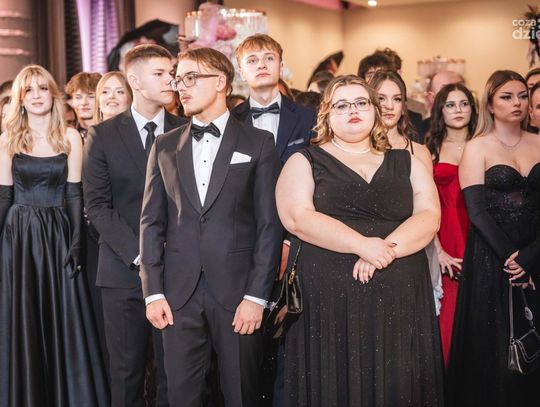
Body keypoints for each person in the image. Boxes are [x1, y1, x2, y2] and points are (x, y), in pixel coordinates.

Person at [276, 74, 443, 406]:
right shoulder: (304, 160)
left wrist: (384, 251)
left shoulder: (407, 161)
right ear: (326, 115)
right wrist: (361, 244)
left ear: (375, 111)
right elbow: (297, 217)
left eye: (361, 103)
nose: (352, 110)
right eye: (341, 105)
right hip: (329, 302)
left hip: (400, 296)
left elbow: (429, 215)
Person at [140, 47, 282, 407]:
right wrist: (153, 292)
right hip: (177, 296)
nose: (181, 87)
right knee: (180, 398)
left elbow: (269, 225)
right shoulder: (164, 146)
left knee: (241, 395)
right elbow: (152, 223)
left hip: (239, 295)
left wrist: (256, 297)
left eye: (191, 78)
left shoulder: (258, 143)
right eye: (178, 80)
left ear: (220, 82)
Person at [83, 44, 186, 407]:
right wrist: (142, 255)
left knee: (175, 378)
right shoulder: (103, 135)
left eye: (171, 73)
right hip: (122, 271)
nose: (170, 80)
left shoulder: (186, 129)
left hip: (178, 271)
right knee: (126, 377)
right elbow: (97, 206)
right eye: (160, 74)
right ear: (135, 81)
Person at [0, 64, 108, 406]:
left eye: (43, 89)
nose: (36, 96)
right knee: (24, 317)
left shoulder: (70, 137)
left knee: (63, 317)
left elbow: (75, 194)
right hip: (18, 236)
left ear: (53, 94)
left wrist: (76, 242)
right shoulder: (7, 139)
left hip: (58, 234)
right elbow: (4, 197)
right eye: (28, 90)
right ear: (19, 99)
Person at [447, 70, 540, 406]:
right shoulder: (477, 147)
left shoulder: (538, 142)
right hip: (493, 256)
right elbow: (477, 213)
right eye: (506, 96)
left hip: (536, 251)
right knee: (496, 343)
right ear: (490, 103)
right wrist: (515, 260)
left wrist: (531, 256)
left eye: (522, 96)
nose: (517, 103)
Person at [425, 83, 477, 365]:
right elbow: (423, 205)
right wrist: (438, 250)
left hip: (478, 230)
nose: (458, 110)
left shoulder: (484, 143)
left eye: (464, 103)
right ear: (440, 110)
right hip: (442, 234)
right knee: (449, 313)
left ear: (473, 108)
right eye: (450, 104)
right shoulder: (429, 149)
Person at [233, 34, 316, 163]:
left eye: (269, 58)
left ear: (281, 67)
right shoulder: (231, 121)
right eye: (252, 60)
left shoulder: (308, 117)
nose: (261, 65)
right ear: (242, 73)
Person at [370, 70, 432, 169]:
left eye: (397, 99)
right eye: (381, 98)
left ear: (403, 107)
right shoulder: (357, 150)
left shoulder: (420, 153)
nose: (390, 106)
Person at [65, 72, 102, 137]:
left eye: (91, 97)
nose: (84, 103)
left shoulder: (112, 131)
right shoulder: (67, 133)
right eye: (78, 97)